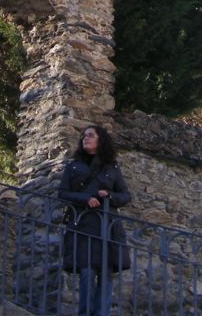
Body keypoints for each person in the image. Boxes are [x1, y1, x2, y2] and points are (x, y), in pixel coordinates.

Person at [59, 124, 131, 316]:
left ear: (101, 140)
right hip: (83, 224)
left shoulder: (111, 167)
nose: (86, 138)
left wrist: (109, 195)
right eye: (84, 135)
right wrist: (85, 199)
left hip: (107, 225)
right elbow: (63, 193)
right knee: (87, 271)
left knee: (105, 273)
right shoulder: (73, 166)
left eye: (91, 135)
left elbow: (125, 196)